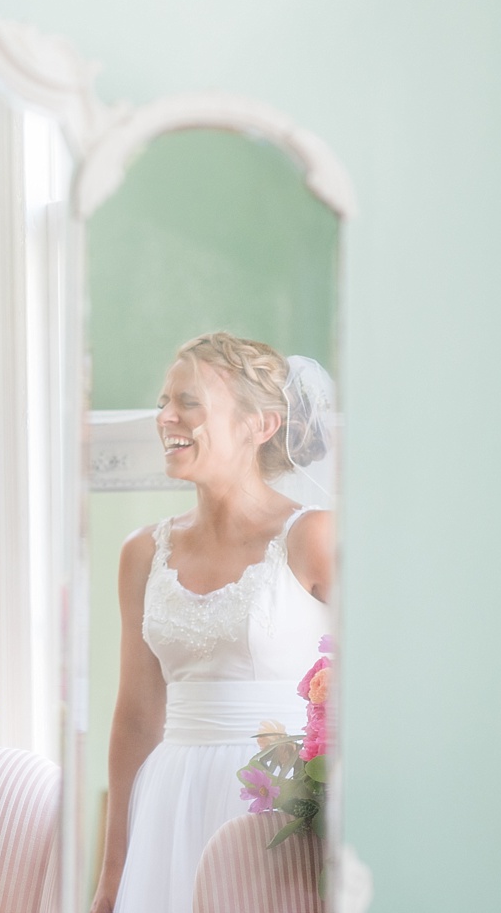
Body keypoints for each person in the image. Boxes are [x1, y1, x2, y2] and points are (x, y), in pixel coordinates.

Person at [93, 333, 336, 913]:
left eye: (189, 402)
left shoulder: (314, 539)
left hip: (277, 805)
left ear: (261, 424)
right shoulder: (141, 553)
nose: (166, 417)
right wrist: (112, 877)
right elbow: (135, 719)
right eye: (163, 402)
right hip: (169, 806)